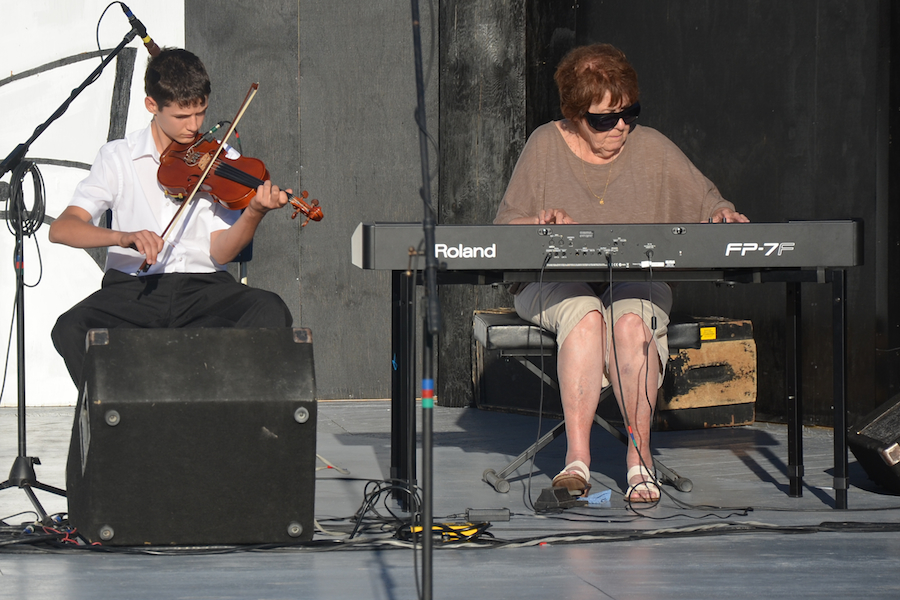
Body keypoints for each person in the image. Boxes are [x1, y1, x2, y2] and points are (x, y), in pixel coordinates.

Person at [494, 43, 748, 503]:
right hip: (551, 280)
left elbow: (710, 200)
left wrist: (723, 215)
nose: (620, 127)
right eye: (604, 119)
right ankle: (577, 461)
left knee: (631, 325)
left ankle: (640, 459)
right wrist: (537, 223)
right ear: (574, 114)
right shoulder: (545, 144)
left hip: (631, 276)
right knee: (587, 317)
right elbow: (505, 227)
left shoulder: (650, 146)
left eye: (628, 113)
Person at [49, 48, 293, 389]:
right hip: (134, 291)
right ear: (152, 105)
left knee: (270, 309)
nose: (194, 127)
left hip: (204, 291)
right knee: (70, 327)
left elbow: (221, 253)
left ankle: (232, 427)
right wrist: (123, 237)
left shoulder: (223, 159)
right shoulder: (117, 156)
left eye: (201, 112)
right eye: (182, 116)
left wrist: (254, 212)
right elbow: (62, 229)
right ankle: (119, 427)